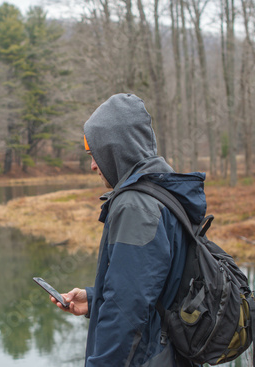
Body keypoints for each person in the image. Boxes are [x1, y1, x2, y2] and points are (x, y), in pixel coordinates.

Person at [50, 93, 205, 366]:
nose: (93, 165)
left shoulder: (136, 206)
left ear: (115, 149)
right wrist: (95, 298)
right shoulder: (161, 191)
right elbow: (156, 285)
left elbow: (127, 311)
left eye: (95, 154)